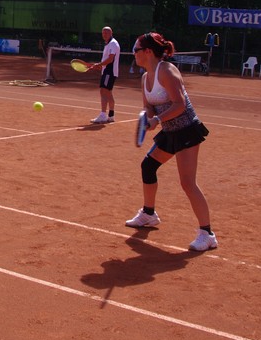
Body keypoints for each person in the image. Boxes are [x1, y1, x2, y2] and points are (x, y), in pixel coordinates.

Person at [125, 32, 216, 251]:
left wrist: (157, 120)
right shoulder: (145, 78)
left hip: (186, 130)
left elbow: (179, 104)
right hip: (169, 131)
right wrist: (148, 117)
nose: (133, 54)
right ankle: (149, 214)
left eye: (136, 50)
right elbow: (149, 106)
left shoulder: (166, 71)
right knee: (148, 166)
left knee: (187, 183)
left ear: (148, 51)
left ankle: (207, 234)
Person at [88, 26, 120, 123]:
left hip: (109, 71)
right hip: (108, 71)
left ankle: (103, 115)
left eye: (106, 33)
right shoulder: (108, 44)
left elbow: (110, 59)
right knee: (108, 92)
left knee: (103, 91)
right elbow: (107, 60)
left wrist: (99, 64)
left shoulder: (113, 43)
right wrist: (101, 66)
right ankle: (111, 116)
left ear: (111, 33)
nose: (104, 34)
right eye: (103, 33)